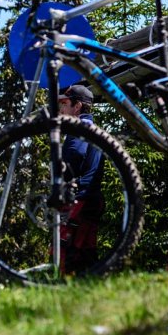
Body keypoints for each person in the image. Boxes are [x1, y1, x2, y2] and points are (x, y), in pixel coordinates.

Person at [58, 84, 104, 274]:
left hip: (79, 201)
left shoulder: (79, 128)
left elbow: (75, 154)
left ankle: (62, 294)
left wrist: (61, 174)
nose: (61, 109)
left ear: (77, 107)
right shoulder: (94, 128)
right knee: (86, 253)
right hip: (91, 200)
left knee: (66, 254)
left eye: (65, 104)